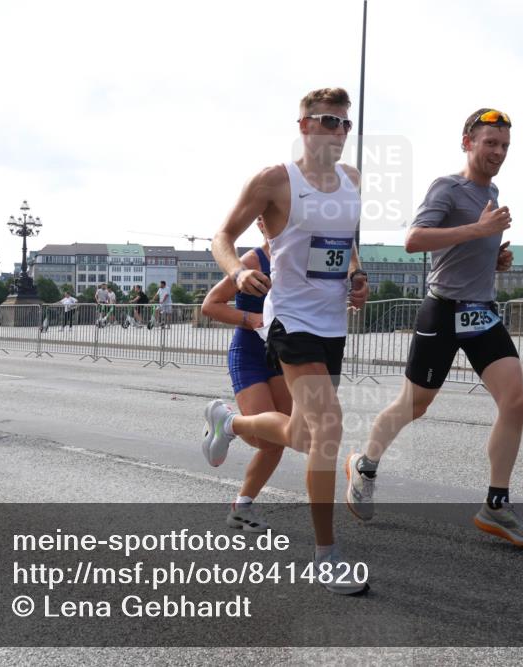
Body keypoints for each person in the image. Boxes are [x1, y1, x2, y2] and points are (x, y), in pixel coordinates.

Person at [344, 108, 523, 548]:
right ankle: (364, 463)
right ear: (467, 142)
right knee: (413, 406)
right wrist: (479, 230)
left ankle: (496, 504)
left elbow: (465, 247)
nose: (498, 152)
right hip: (443, 310)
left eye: (505, 146)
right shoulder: (447, 187)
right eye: (490, 142)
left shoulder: (491, 190)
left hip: (482, 312)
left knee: (515, 401)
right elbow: (414, 239)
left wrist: (494, 257)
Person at [202, 87, 370, 595]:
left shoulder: (353, 181)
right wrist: (236, 273)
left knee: (303, 437)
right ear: (303, 126)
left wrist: (357, 277)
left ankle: (228, 422)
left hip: (331, 325)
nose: (338, 131)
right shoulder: (276, 180)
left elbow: (347, 244)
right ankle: (327, 555)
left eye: (344, 123)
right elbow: (222, 237)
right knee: (331, 429)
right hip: (290, 320)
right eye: (327, 121)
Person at [201, 218, 290, 533]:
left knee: (279, 438)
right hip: (250, 354)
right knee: (263, 436)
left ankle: (242, 507)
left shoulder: (298, 260)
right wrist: (255, 318)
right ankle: (228, 422)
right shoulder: (254, 261)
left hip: (282, 356)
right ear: (262, 225)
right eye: (274, 220)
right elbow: (210, 305)